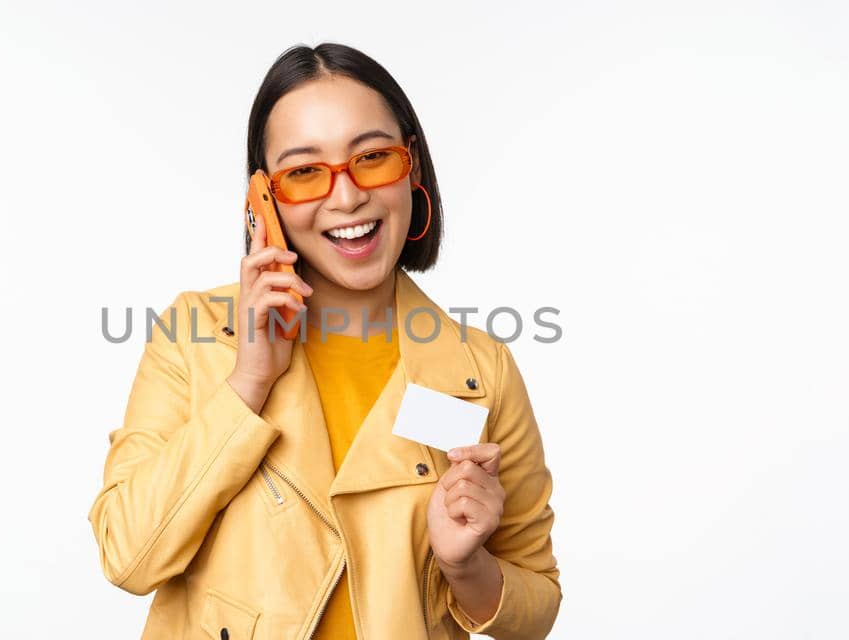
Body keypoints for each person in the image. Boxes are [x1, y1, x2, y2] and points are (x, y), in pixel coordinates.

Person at [88, 42, 560, 639]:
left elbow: (537, 603)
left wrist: (467, 565)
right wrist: (249, 381)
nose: (347, 196)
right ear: (265, 199)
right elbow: (126, 554)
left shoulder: (479, 371)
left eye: (373, 157)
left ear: (410, 166)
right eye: (305, 171)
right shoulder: (195, 337)